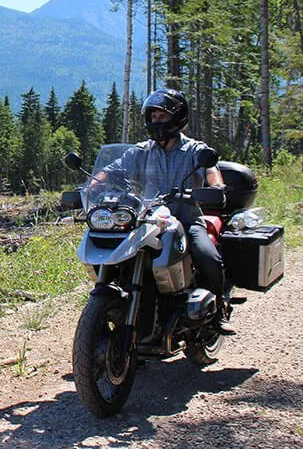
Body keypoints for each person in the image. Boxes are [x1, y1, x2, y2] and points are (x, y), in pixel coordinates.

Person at [95, 87, 233, 335]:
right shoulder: (141, 151)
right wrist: (91, 184)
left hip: (186, 220)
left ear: (178, 118)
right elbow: (112, 169)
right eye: (154, 116)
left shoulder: (194, 150)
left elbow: (211, 168)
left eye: (163, 116)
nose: (157, 121)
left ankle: (219, 310)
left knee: (208, 256)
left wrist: (216, 186)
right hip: (148, 222)